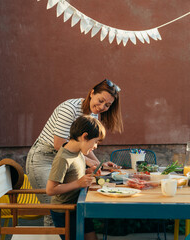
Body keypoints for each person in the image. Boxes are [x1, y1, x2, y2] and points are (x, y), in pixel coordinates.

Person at [26, 79, 123, 224]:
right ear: (92, 93)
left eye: (107, 105)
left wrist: (99, 165)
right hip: (43, 158)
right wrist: (88, 162)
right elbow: (60, 145)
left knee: (67, 208)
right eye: (101, 100)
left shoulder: (93, 114)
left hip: (65, 160)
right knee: (54, 211)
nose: (102, 107)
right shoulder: (70, 108)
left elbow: (83, 144)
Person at [46, 115, 105, 240]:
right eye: (95, 142)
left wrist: (88, 172)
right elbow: (50, 190)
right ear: (84, 136)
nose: (95, 147)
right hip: (65, 212)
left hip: (77, 205)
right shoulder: (63, 158)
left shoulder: (77, 152)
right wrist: (78, 183)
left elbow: (72, 174)